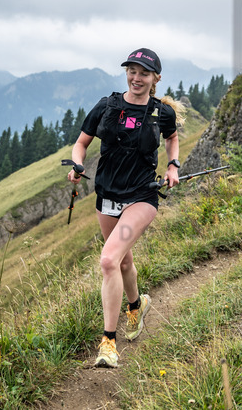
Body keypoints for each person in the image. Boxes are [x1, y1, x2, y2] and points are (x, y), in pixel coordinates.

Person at [67, 47, 186, 368]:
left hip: (142, 197)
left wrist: (172, 165)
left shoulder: (162, 113)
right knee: (121, 262)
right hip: (106, 195)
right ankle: (137, 306)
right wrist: (77, 165)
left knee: (108, 260)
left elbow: (172, 137)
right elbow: (81, 143)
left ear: (155, 78)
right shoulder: (106, 106)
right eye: (132, 71)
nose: (136, 77)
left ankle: (108, 343)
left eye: (144, 73)